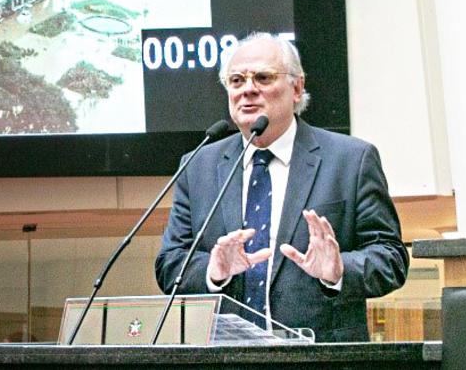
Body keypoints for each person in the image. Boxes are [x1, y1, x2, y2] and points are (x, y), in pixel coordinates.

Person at [154, 32, 408, 342]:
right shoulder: (199, 166)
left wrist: (339, 270)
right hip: (225, 358)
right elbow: (170, 264)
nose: (248, 89)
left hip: (320, 358)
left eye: (263, 77)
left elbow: (390, 257)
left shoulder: (350, 160)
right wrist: (214, 271)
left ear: (297, 88)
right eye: (236, 81)